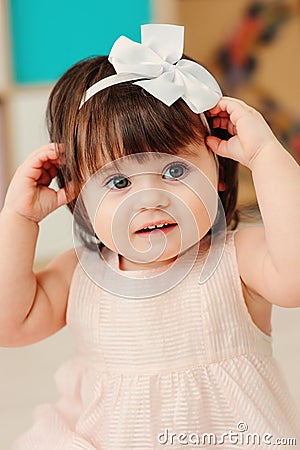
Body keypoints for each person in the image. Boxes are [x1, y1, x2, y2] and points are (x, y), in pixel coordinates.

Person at [0, 24, 299, 449]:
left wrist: (267, 156)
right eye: (118, 183)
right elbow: (9, 325)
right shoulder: (78, 273)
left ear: (217, 173)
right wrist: (17, 219)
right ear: (79, 191)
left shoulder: (238, 259)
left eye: (175, 171)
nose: (150, 200)